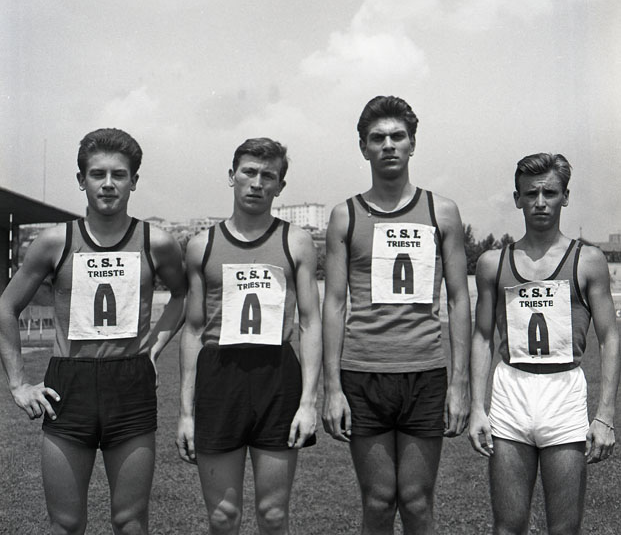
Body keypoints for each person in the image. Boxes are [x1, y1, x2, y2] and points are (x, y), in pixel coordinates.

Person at [0, 128, 186, 535]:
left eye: (119, 174)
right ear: (81, 179)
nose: (108, 183)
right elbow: (6, 306)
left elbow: (182, 295)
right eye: (97, 173)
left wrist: (153, 347)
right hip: (70, 384)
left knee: (130, 521)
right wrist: (17, 384)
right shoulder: (55, 242)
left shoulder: (157, 242)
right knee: (65, 523)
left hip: (130, 382)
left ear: (134, 181)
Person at [322, 96, 471, 535]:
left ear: (412, 144)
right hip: (363, 373)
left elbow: (459, 299)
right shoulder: (344, 215)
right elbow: (334, 303)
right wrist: (332, 388)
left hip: (424, 372)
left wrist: (459, 383)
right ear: (363, 147)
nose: (388, 145)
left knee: (418, 502)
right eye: (377, 138)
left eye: (397, 136)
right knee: (378, 501)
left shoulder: (442, 211)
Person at [468, 152, 620, 535]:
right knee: (508, 527)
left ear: (565, 197)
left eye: (549, 193)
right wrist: (476, 408)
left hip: (564, 392)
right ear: (517, 198)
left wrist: (605, 414)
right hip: (511, 391)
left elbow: (610, 336)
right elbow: (482, 335)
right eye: (531, 193)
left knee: (564, 529)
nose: (540, 202)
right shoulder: (492, 263)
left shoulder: (588, 260)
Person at [176, 137, 321, 535]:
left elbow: (310, 323)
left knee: (273, 515)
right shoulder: (201, 245)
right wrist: (185, 412)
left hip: (276, 374)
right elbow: (192, 330)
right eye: (249, 172)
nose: (257, 183)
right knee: (223, 517)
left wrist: (308, 403)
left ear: (280, 186)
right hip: (219, 376)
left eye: (268, 176)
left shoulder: (297, 242)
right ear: (232, 176)